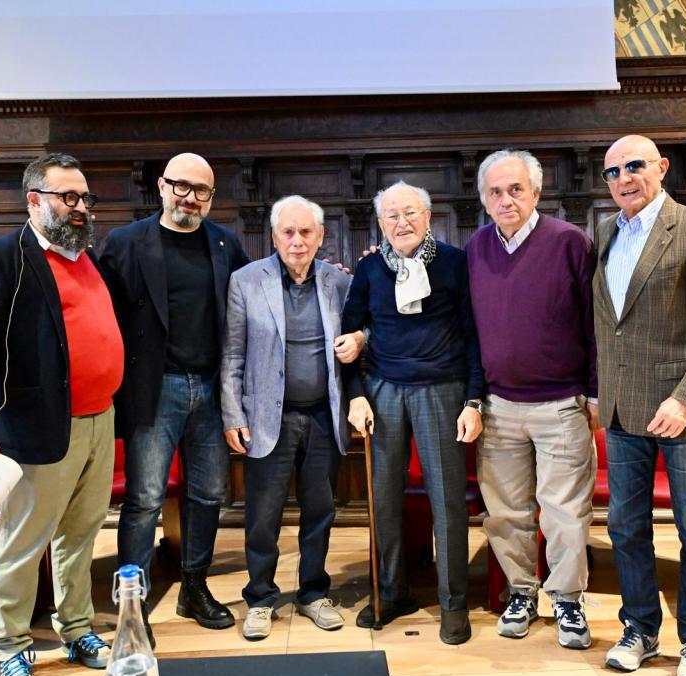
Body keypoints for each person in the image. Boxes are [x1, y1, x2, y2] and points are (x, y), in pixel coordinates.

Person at [0, 152, 122, 676]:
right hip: (37, 422)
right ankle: (8, 646)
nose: (80, 207)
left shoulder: (87, 257)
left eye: (85, 197)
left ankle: (76, 628)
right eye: (67, 197)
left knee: (81, 535)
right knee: (24, 542)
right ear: (33, 200)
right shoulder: (1, 258)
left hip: (99, 419)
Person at [593, 135, 686, 676]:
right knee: (625, 528)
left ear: (660, 167)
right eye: (612, 172)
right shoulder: (606, 231)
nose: (623, 179)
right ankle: (640, 628)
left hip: (684, 411)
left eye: (634, 166)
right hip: (621, 409)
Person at [100, 153, 249, 643]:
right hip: (153, 388)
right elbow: (102, 316)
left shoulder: (225, 244)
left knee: (209, 494)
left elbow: (252, 300)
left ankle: (194, 588)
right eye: (181, 186)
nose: (189, 197)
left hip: (210, 387)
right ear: (162, 186)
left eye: (201, 190)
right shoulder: (124, 243)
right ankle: (133, 602)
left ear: (212, 197)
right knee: (144, 499)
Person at [342, 181, 484, 645]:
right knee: (384, 501)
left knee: (447, 502)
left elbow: (474, 335)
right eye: (391, 215)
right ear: (380, 223)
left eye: (409, 213)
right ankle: (392, 591)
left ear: (427, 217)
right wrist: (356, 394)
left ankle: (453, 603)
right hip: (384, 390)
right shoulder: (370, 268)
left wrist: (473, 399)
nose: (401, 222)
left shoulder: (455, 262)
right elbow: (348, 334)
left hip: (442, 389)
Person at [466, 149, 598, 646]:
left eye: (516, 189)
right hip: (498, 407)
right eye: (495, 192)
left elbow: (596, 323)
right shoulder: (476, 247)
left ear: (536, 192)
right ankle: (521, 591)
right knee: (506, 513)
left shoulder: (570, 242)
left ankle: (568, 599)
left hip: (560, 403)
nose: (506, 200)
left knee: (564, 513)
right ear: (484, 199)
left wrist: (594, 392)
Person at [221, 195, 362, 641]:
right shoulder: (246, 281)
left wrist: (360, 339)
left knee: (320, 511)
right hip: (268, 418)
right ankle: (260, 598)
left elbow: (365, 330)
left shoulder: (340, 282)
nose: (297, 240)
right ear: (274, 236)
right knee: (263, 516)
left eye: (306, 232)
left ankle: (313, 593)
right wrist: (232, 413)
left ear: (321, 237)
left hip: (323, 415)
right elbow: (232, 354)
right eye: (288, 232)